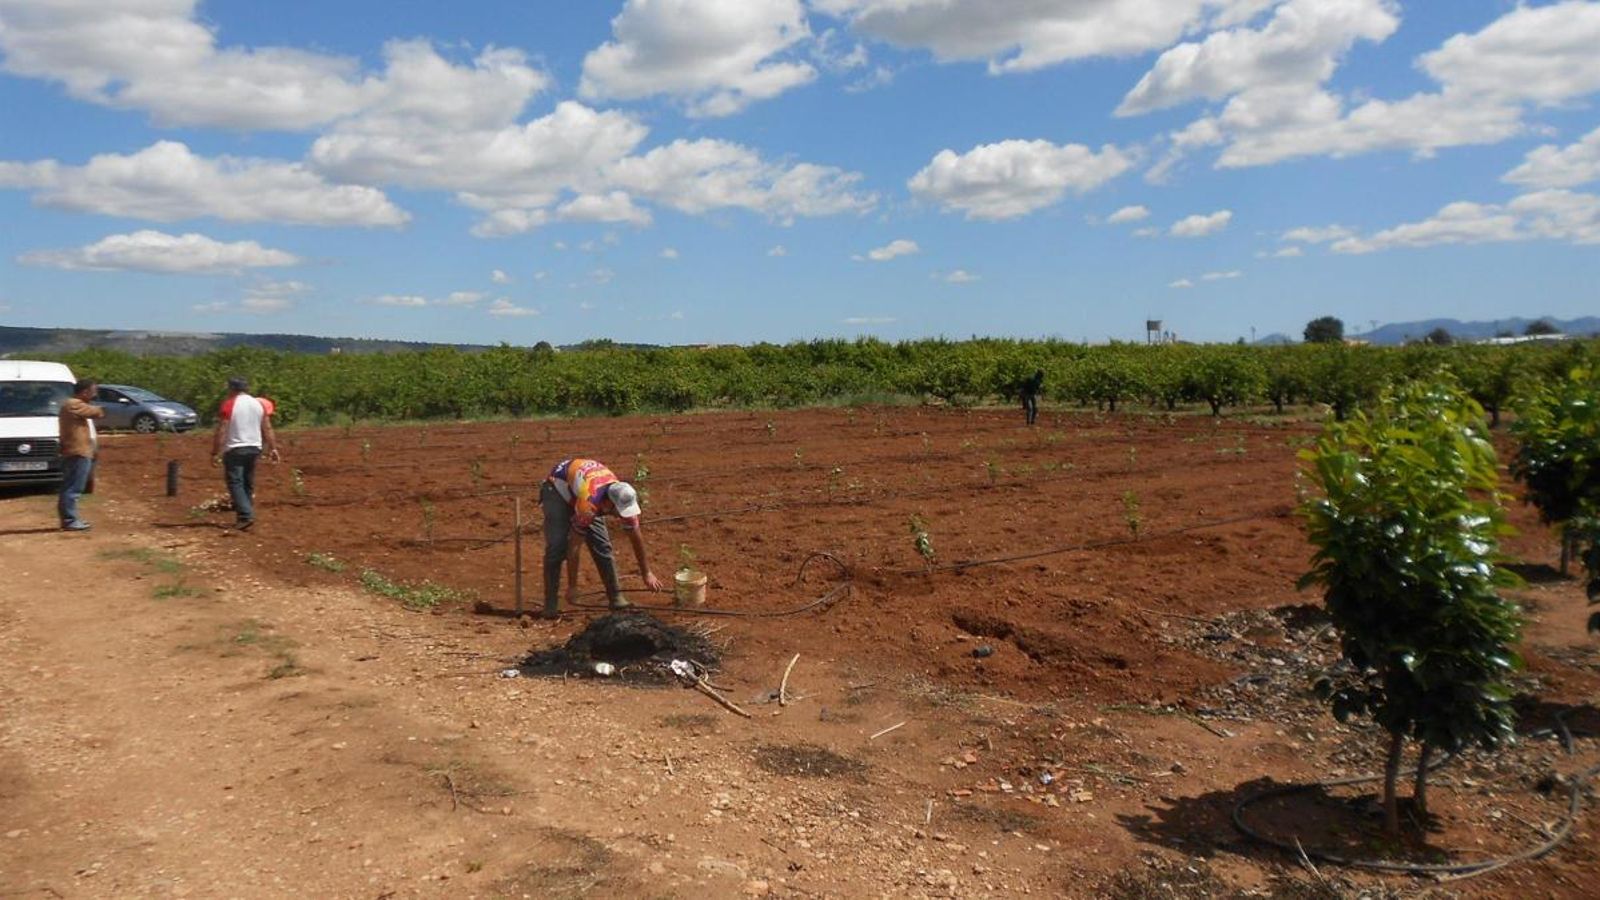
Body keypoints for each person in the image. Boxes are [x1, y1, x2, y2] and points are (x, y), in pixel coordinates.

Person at [540, 458, 662, 617]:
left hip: (583, 487)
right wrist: (573, 586)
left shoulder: (622, 495)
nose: (622, 516)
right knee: (557, 546)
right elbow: (575, 545)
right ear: (608, 505)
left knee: (602, 546)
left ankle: (616, 597)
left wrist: (647, 573)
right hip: (558, 488)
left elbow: (635, 534)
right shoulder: (589, 504)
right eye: (619, 512)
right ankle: (550, 605)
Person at [210, 376, 281, 530]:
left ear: (232, 389)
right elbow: (267, 428)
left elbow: (222, 429)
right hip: (254, 448)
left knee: (235, 482)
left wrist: (215, 452)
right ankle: (245, 515)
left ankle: (245, 515)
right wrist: (273, 448)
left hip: (235, 448)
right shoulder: (258, 404)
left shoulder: (229, 404)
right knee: (248, 483)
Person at [57, 378, 104, 531]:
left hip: (74, 450)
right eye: (93, 391)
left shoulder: (70, 404)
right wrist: (105, 408)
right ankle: (70, 520)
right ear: (84, 392)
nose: (94, 394)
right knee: (73, 487)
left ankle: (69, 519)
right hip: (78, 451)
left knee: (70, 486)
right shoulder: (73, 404)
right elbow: (95, 412)